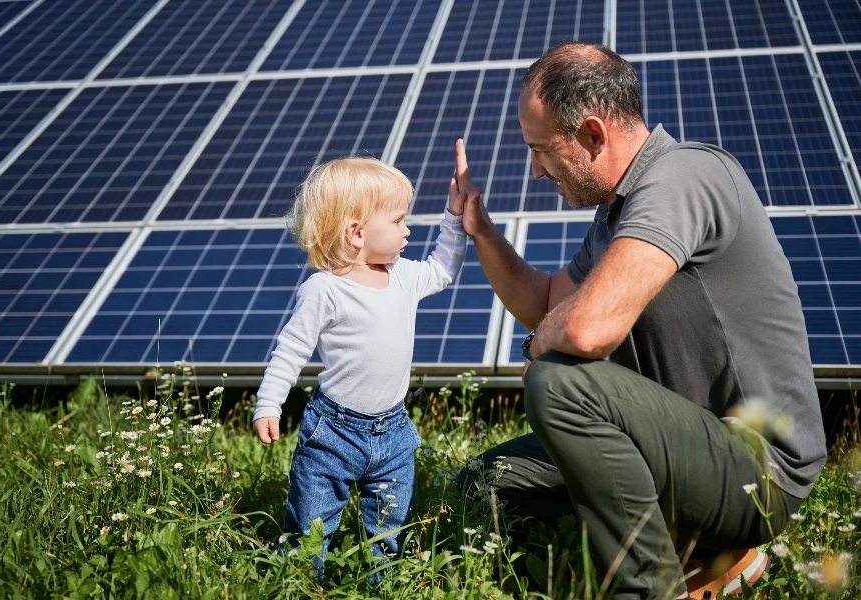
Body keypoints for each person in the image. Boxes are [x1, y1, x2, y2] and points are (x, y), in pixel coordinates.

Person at [453, 41, 826, 599]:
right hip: (679, 450)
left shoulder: (684, 176)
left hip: (757, 473)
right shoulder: (616, 214)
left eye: (541, 149)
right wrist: (482, 232)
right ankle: (701, 558)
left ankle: (652, 587)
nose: (534, 170)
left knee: (558, 382)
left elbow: (585, 329)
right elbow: (549, 303)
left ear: (594, 135)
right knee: (481, 484)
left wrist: (540, 349)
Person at [252, 157, 468, 573]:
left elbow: (442, 269)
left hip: (394, 431)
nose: (407, 230)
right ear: (356, 233)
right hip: (332, 433)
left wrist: (454, 216)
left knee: (388, 528)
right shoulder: (325, 291)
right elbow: (291, 350)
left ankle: (379, 582)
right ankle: (300, 580)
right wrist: (268, 404)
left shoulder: (402, 275)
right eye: (399, 220)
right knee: (310, 526)